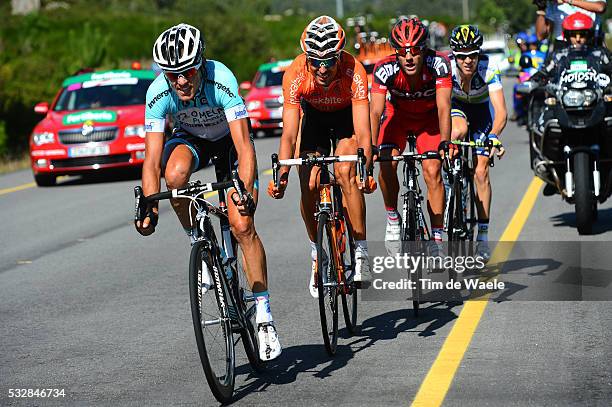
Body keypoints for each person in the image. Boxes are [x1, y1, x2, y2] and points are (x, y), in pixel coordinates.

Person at [135, 23, 281, 361]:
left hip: (230, 142)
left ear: (200, 63)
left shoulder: (222, 80)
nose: (181, 81)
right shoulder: (157, 93)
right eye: (173, 75)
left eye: (187, 72)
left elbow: (245, 148)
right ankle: (197, 243)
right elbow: (151, 159)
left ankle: (264, 316)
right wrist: (148, 207)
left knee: (242, 224)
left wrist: (244, 192)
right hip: (192, 140)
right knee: (174, 177)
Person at [267, 16, 376, 298]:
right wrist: (282, 176)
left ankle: (361, 250)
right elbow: (290, 134)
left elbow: (364, 131)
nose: (323, 68)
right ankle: (317, 252)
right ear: (307, 58)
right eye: (315, 61)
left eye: (329, 60)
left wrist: (367, 169)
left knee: (344, 170)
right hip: (314, 121)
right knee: (310, 181)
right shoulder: (295, 74)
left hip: (345, 121)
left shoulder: (354, 71)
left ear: (339, 55)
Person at [369, 17, 452, 248]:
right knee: (386, 163)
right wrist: (371, 147)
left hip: (429, 121)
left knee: (433, 170)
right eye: (402, 51)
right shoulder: (384, 68)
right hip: (398, 119)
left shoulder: (439, 64)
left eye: (415, 51)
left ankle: (436, 239)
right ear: (395, 52)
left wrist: (445, 142)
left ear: (424, 50)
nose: (409, 57)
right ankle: (393, 219)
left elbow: (444, 106)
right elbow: (375, 112)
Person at [448, 25, 507, 261]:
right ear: (454, 55)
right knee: (458, 131)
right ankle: (451, 178)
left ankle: (482, 235)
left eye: (472, 55)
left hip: (482, 112)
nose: (467, 61)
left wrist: (493, 136)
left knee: (481, 171)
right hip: (458, 108)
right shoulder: (447, 68)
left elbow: (501, 112)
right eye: (462, 56)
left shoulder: (488, 66)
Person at [534, 0, 607, 51]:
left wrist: (569, 1)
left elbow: (600, 8)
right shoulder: (553, 4)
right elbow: (541, 36)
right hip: (563, 46)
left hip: (590, 43)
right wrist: (541, 8)